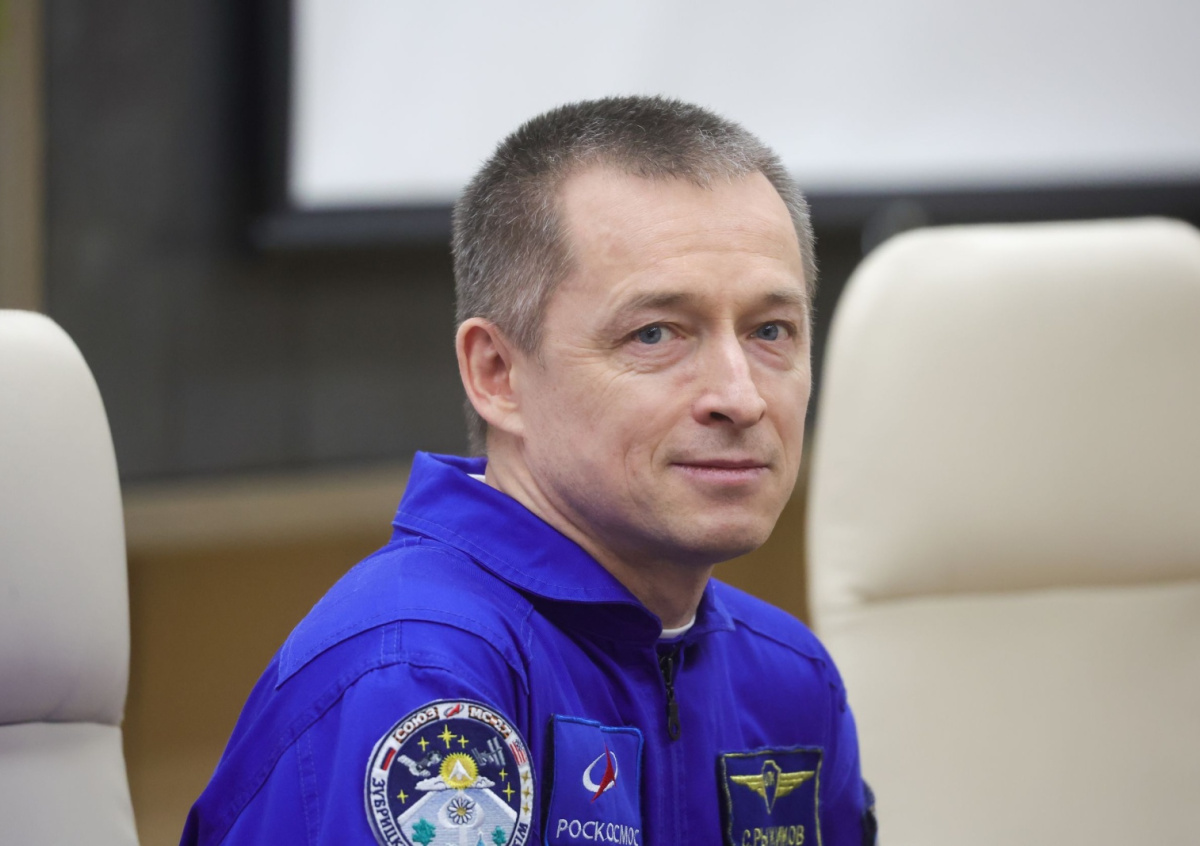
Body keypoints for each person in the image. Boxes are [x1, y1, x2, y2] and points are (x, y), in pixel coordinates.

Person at [182, 96, 875, 846]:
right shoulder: (418, 678)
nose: (740, 397)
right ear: (498, 374)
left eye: (771, 331)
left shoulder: (789, 679)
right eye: (655, 334)